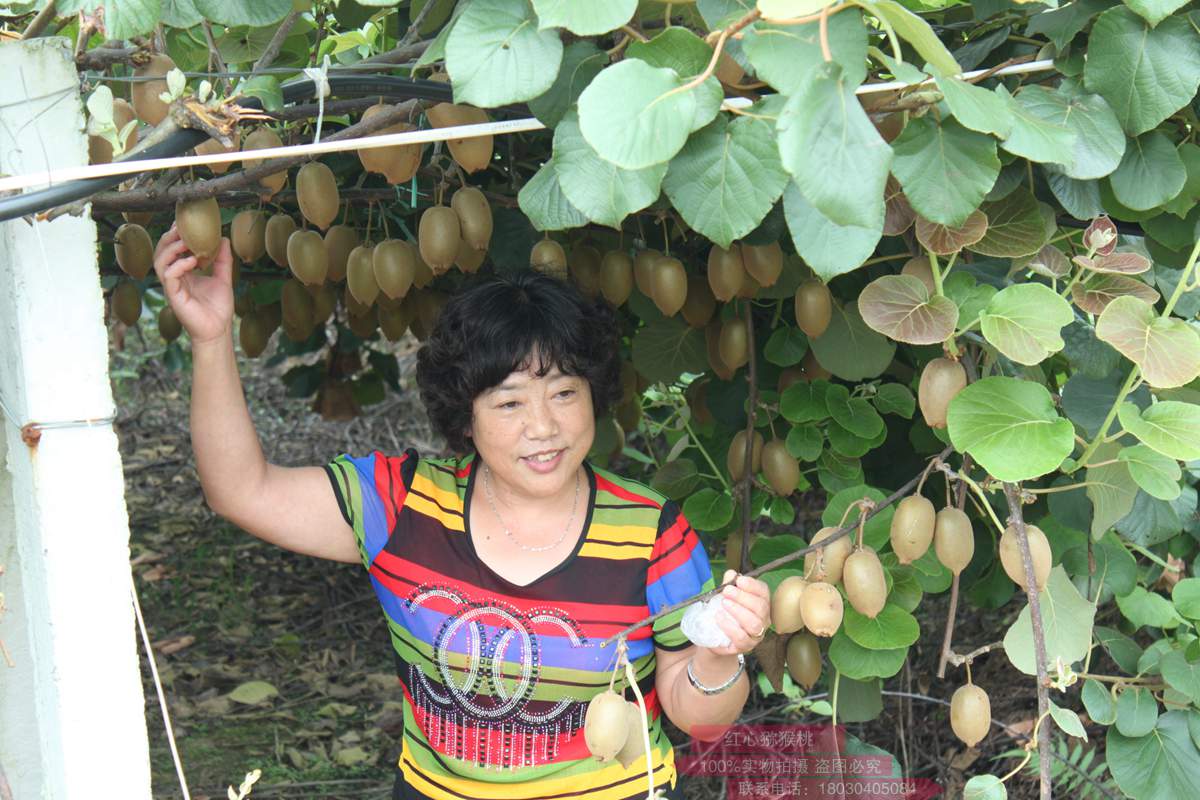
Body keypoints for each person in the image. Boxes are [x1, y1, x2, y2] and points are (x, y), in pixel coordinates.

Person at [152, 225, 772, 800]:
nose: (543, 427)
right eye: (508, 403)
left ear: (595, 395)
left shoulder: (651, 533)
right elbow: (240, 490)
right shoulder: (402, 507)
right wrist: (211, 340)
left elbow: (695, 716)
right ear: (464, 414)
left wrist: (719, 653)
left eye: (564, 393)